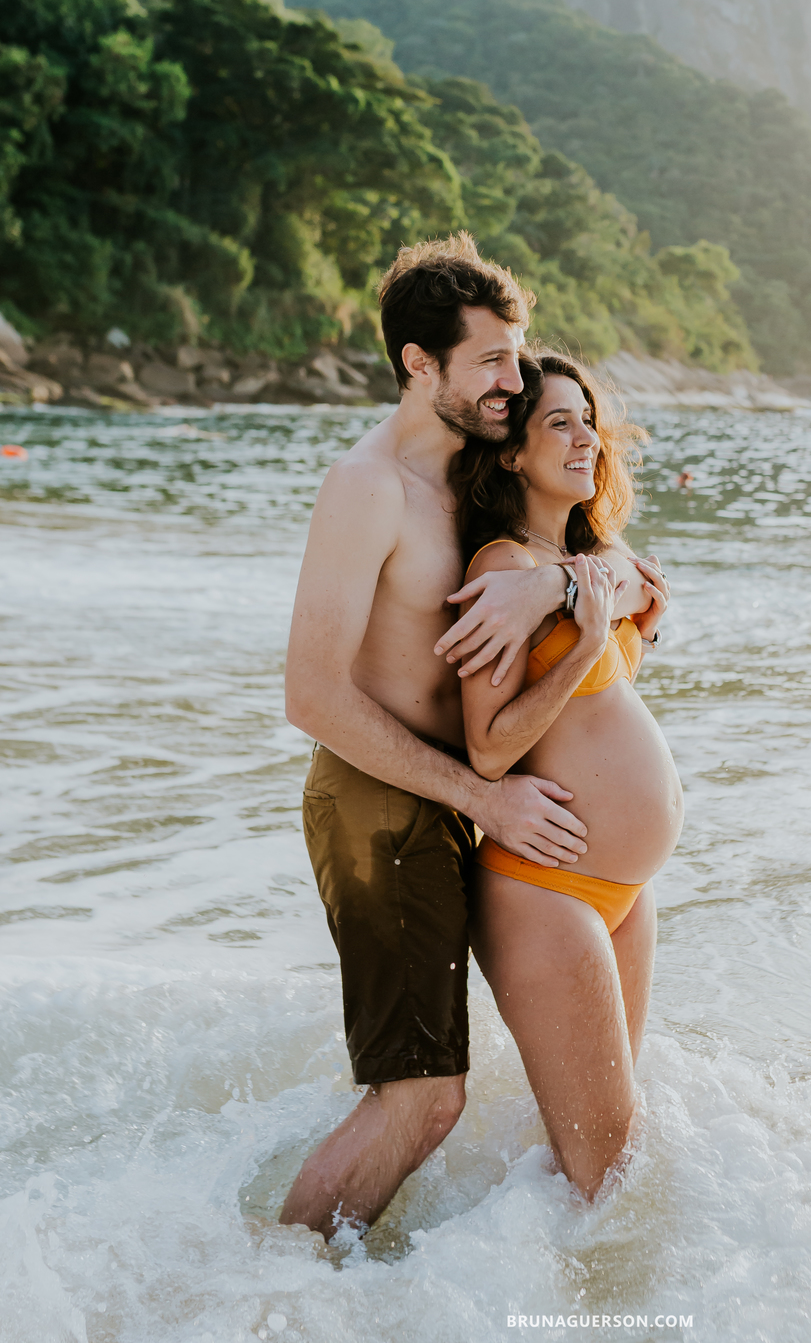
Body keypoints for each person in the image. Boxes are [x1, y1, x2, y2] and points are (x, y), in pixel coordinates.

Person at [279, 236, 595, 1241]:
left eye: (518, 354)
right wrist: (485, 797)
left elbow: (610, 555)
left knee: (432, 1088)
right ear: (420, 363)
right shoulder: (366, 487)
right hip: (379, 804)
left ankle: (350, 1275)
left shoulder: (481, 472)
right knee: (423, 1098)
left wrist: (558, 585)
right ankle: (265, 1283)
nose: (516, 379)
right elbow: (310, 695)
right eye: (491, 359)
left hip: (454, 802)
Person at [455, 351, 682, 1199]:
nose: (587, 437)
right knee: (608, 1171)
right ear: (513, 453)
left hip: (622, 893)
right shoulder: (501, 572)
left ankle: (527, 1254)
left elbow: (594, 712)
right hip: (547, 890)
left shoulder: (583, 560)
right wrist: (587, 644)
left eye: (588, 420)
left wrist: (631, 631)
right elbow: (489, 748)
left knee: (602, 1155)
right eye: (560, 422)